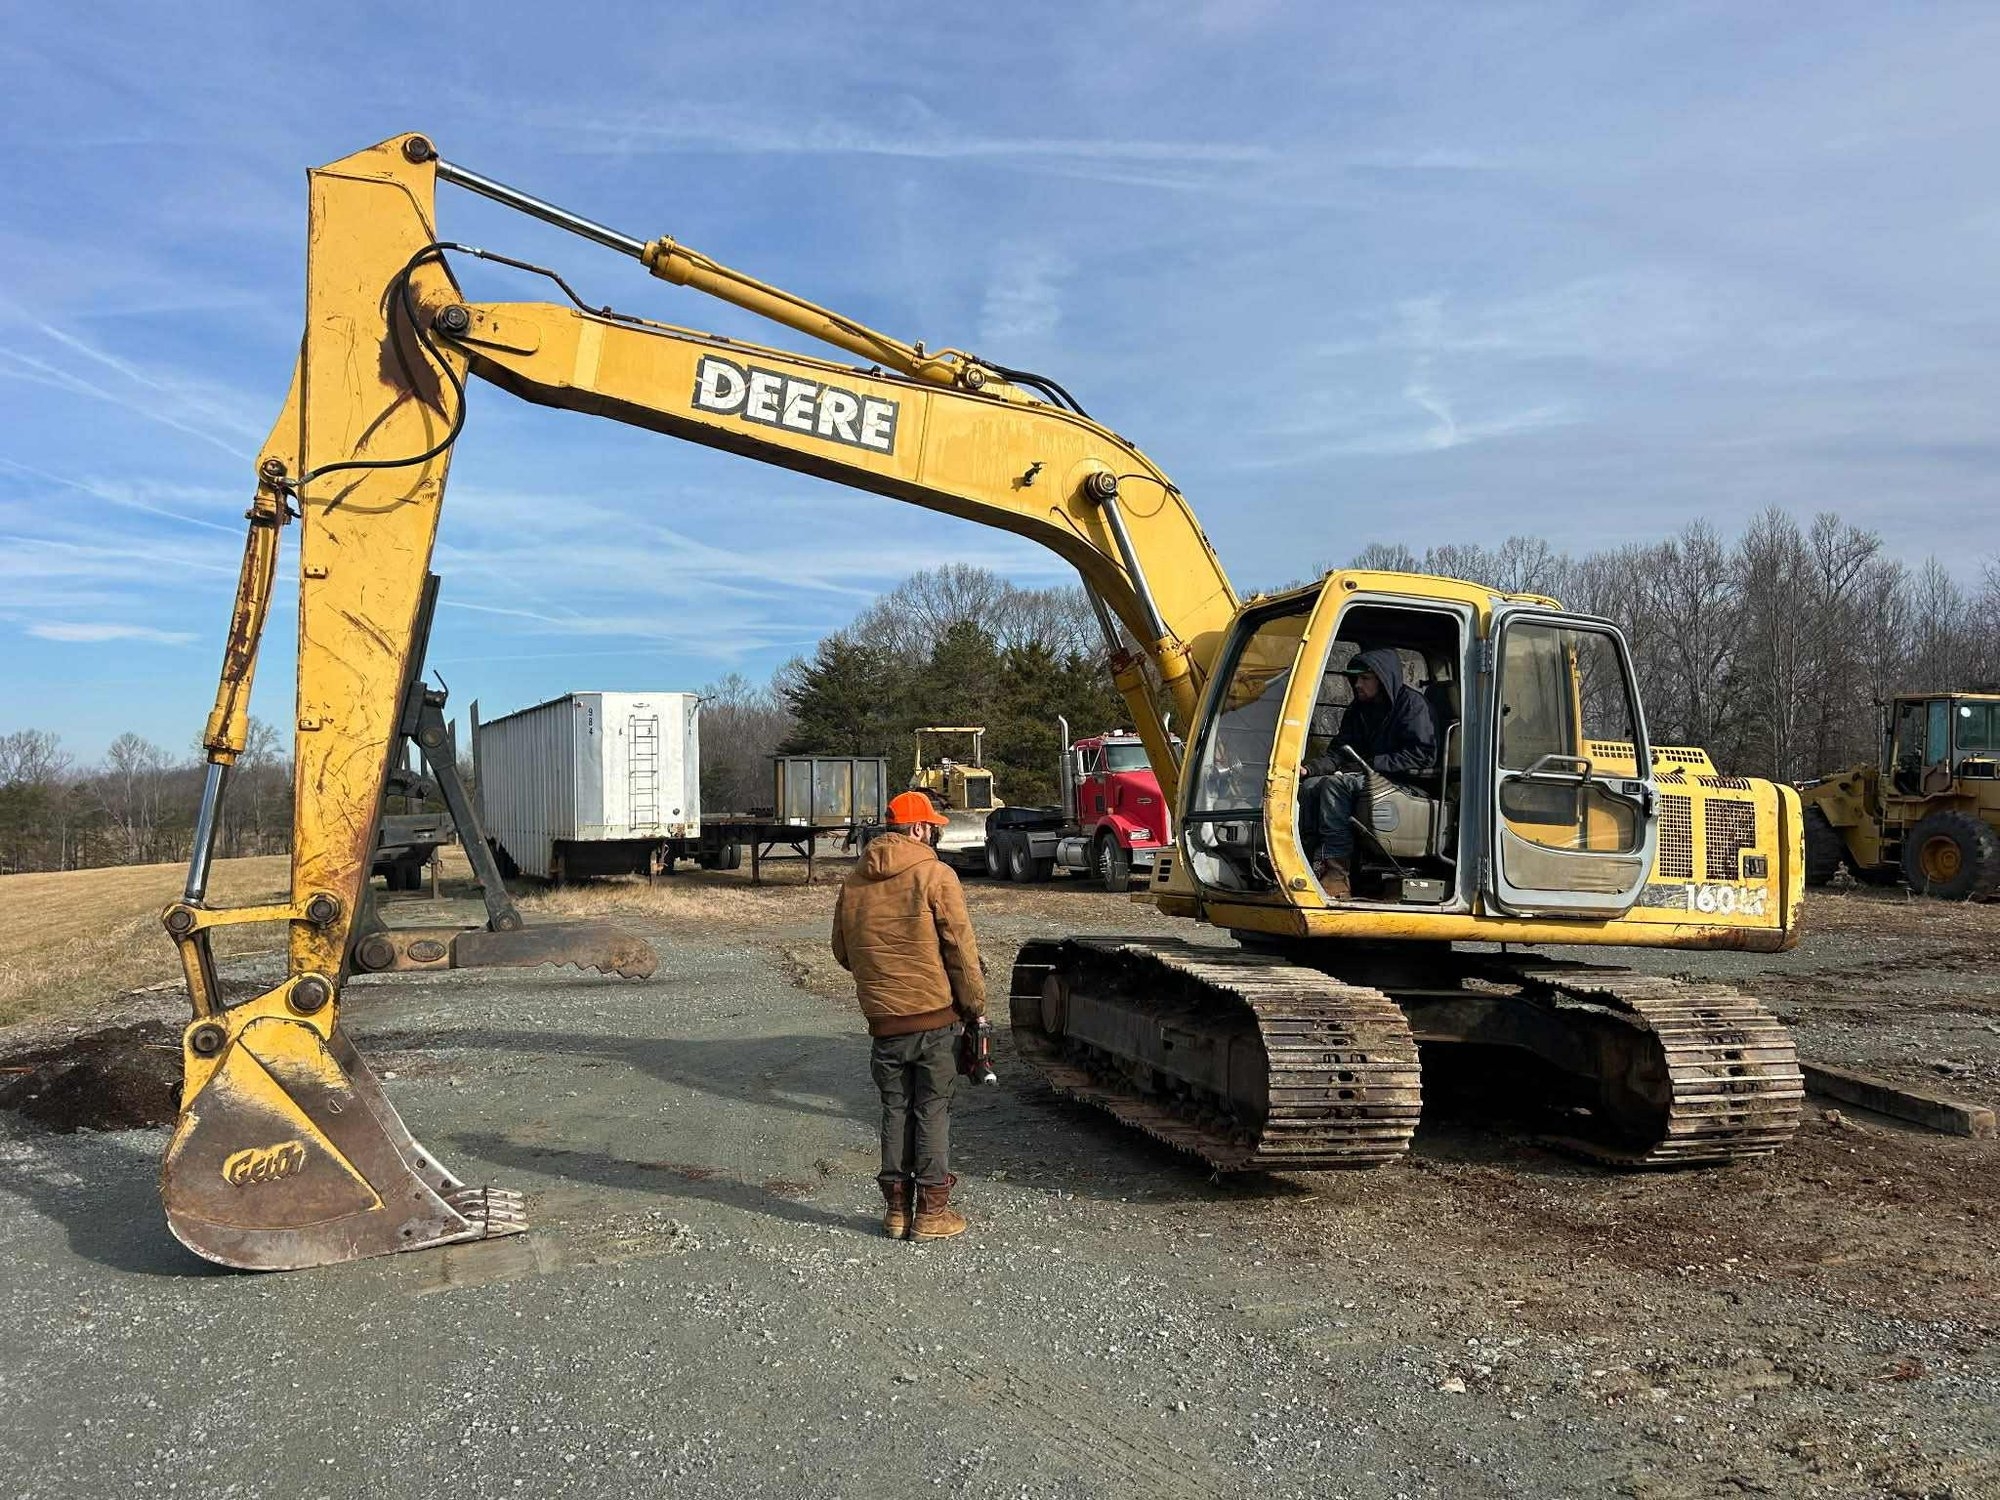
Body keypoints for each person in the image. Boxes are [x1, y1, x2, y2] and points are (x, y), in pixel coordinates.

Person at [832, 790, 986, 1241]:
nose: (935, 835)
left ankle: (896, 1213)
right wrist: (975, 1008)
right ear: (918, 829)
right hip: (934, 1018)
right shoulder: (936, 875)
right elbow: (960, 950)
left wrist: (883, 975)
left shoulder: (854, 883)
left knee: (894, 1109)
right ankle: (932, 1214)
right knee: (932, 1110)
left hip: (884, 1023)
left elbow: (844, 952)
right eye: (933, 828)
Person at [1298, 647, 1437, 898]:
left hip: (1403, 781)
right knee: (1309, 786)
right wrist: (1309, 769)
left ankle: (1337, 872)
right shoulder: (1358, 710)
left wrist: (1372, 764)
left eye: (1365, 678)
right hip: (1367, 775)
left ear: (1383, 678)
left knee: (1334, 786)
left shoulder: (1412, 706)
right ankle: (1309, 860)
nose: (1357, 685)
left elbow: (1423, 754)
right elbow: (1340, 751)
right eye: (1355, 679)